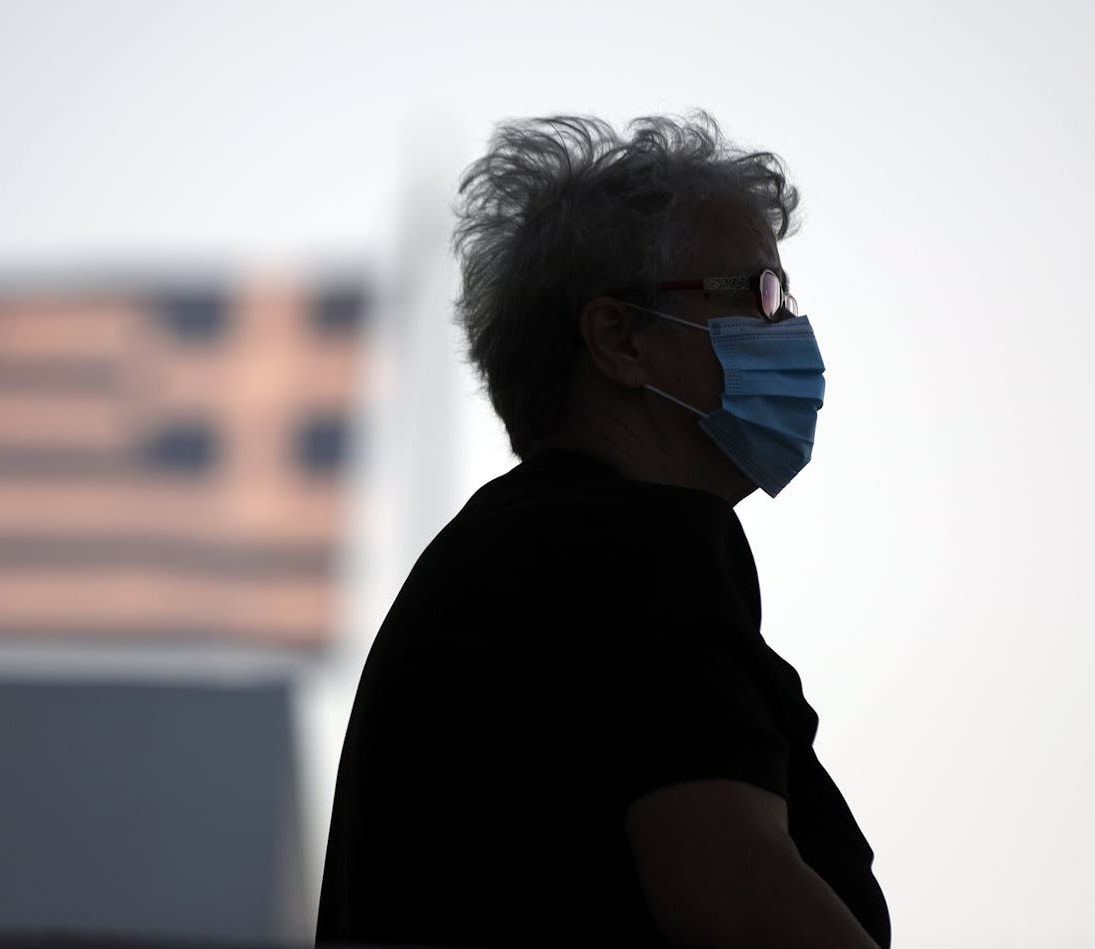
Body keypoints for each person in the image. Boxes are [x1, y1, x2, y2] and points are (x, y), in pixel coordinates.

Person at [315, 111, 890, 948]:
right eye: (761, 294)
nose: (792, 331)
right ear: (619, 339)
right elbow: (735, 893)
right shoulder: (633, 543)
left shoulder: (515, 553)